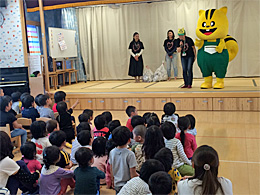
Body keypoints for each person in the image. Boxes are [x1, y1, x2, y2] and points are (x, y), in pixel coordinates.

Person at [110, 126, 138, 193]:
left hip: (117, 183)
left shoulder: (112, 152)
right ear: (129, 140)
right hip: (127, 185)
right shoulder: (130, 154)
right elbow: (133, 174)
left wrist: (112, 181)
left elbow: (111, 169)